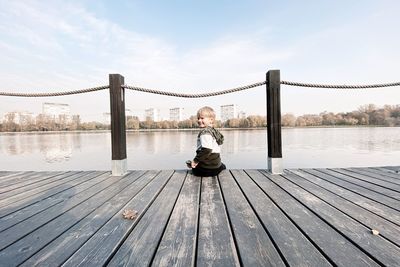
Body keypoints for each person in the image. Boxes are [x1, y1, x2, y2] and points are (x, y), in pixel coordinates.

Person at [187, 106, 226, 176]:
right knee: (223, 166)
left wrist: (195, 161)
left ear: (211, 120)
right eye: (198, 118)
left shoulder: (205, 133)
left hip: (207, 169)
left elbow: (207, 149)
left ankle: (196, 166)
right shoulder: (214, 131)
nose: (199, 120)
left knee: (194, 169)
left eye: (202, 118)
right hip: (216, 167)